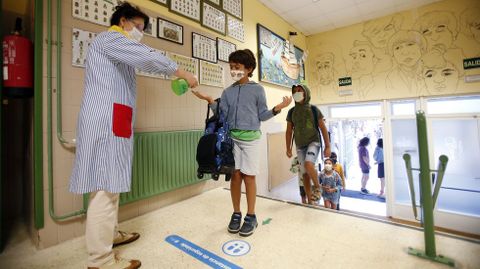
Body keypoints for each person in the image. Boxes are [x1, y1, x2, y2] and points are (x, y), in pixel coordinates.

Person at [69, 3, 198, 269]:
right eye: (137, 27)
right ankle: (100, 261)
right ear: (123, 20)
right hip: (107, 121)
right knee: (105, 187)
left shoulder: (113, 45)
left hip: (113, 119)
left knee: (110, 184)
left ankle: (111, 235)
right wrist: (181, 71)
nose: (140, 32)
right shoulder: (111, 38)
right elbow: (147, 56)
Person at [192, 49, 292, 237]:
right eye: (231, 67)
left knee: (249, 177)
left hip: (251, 140)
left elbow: (262, 115)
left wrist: (277, 109)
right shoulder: (227, 91)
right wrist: (210, 100)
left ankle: (251, 216)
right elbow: (222, 115)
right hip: (232, 140)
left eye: (237, 67)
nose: (233, 71)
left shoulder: (257, 89)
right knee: (235, 176)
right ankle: (236, 213)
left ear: (249, 68)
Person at [285, 84, 331, 205]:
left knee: (309, 164)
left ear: (306, 93)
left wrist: (328, 146)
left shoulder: (314, 109)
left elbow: (323, 128)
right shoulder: (291, 112)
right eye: (294, 91)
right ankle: (310, 200)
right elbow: (289, 131)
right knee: (304, 173)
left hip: (313, 142)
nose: (297, 93)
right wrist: (288, 148)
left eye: (299, 90)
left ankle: (317, 187)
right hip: (300, 145)